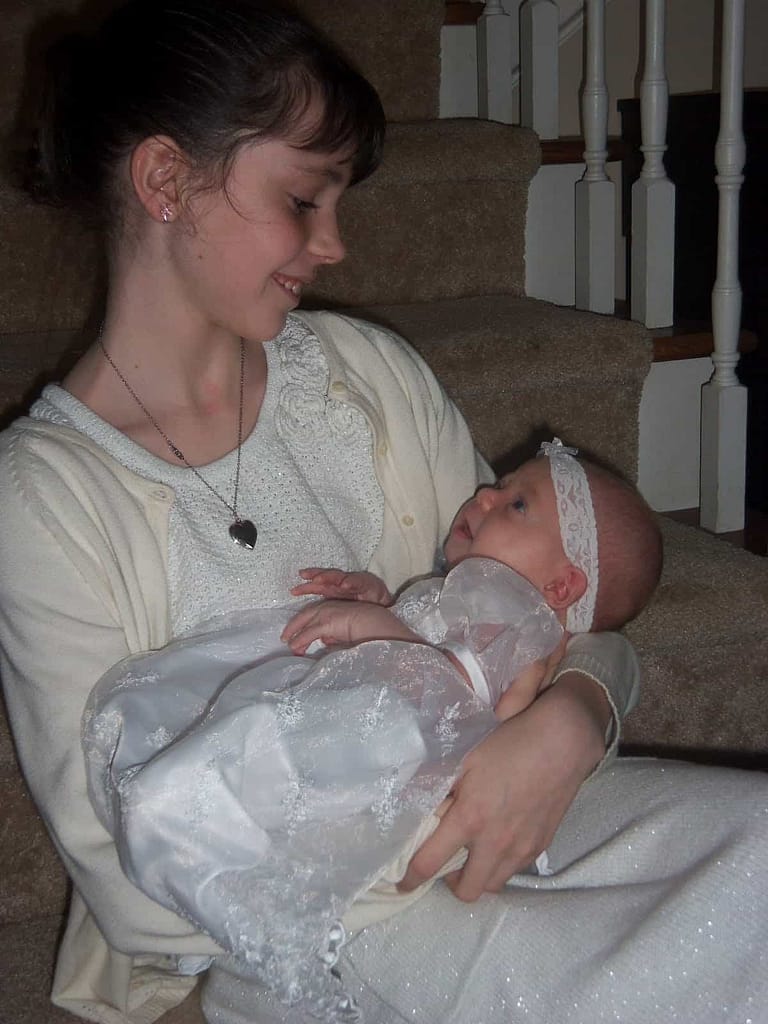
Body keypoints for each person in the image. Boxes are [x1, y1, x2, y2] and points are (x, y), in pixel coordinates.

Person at [0, 2, 764, 1023]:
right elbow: (139, 891)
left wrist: (574, 720)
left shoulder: (364, 377)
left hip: (513, 819)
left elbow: (557, 610)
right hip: (301, 933)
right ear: (167, 182)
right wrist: (434, 815)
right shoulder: (43, 498)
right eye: (305, 200)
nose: (335, 245)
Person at [81, 440, 663, 1021]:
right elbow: (433, 637)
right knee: (229, 763)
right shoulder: (466, 593)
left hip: (389, 749)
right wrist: (382, 599)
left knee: (239, 777)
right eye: (501, 485)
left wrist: (382, 630)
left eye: (516, 505)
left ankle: (227, 897)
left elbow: (477, 721)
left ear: (561, 588)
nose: (486, 494)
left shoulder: (523, 626)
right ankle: (210, 881)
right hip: (353, 716)